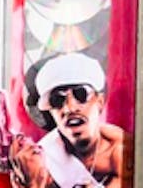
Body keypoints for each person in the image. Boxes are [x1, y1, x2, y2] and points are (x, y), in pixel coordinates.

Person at [8, 53, 127, 188]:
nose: (69, 108)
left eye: (81, 94)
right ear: (50, 112)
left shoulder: (123, 151)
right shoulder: (43, 158)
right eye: (57, 100)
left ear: (100, 101)